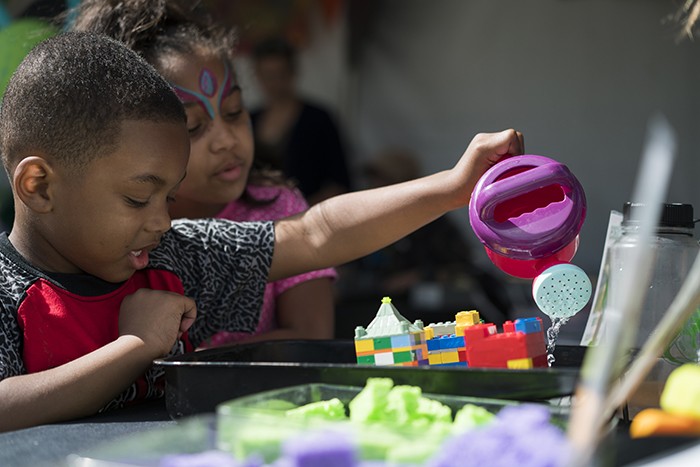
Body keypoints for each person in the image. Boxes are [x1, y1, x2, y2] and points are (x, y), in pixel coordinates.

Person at [0, 31, 523, 431]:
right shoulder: (8, 292)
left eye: (169, 195)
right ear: (39, 186)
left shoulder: (175, 260)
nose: (162, 220)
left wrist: (453, 188)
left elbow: (315, 234)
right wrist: (136, 345)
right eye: (139, 197)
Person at [71, 0, 336, 347]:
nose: (226, 140)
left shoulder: (275, 209)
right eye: (194, 127)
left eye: (235, 111)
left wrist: (197, 361)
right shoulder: (119, 233)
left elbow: (312, 335)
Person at [336, 147, 513, 327]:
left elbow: (461, 266)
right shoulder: (367, 222)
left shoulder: (433, 221)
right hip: (373, 307)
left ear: (402, 182)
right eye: (372, 180)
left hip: (425, 314)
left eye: (382, 180)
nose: (374, 186)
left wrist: (417, 276)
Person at [250, 36, 353, 205]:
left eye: (280, 74)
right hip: (259, 219)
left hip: (308, 215)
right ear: (258, 75)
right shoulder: (250, 120)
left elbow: (339, 181)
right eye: (268, 75)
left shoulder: (318, 119)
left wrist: (302, 212)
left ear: (293, 72)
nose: (275, 83)